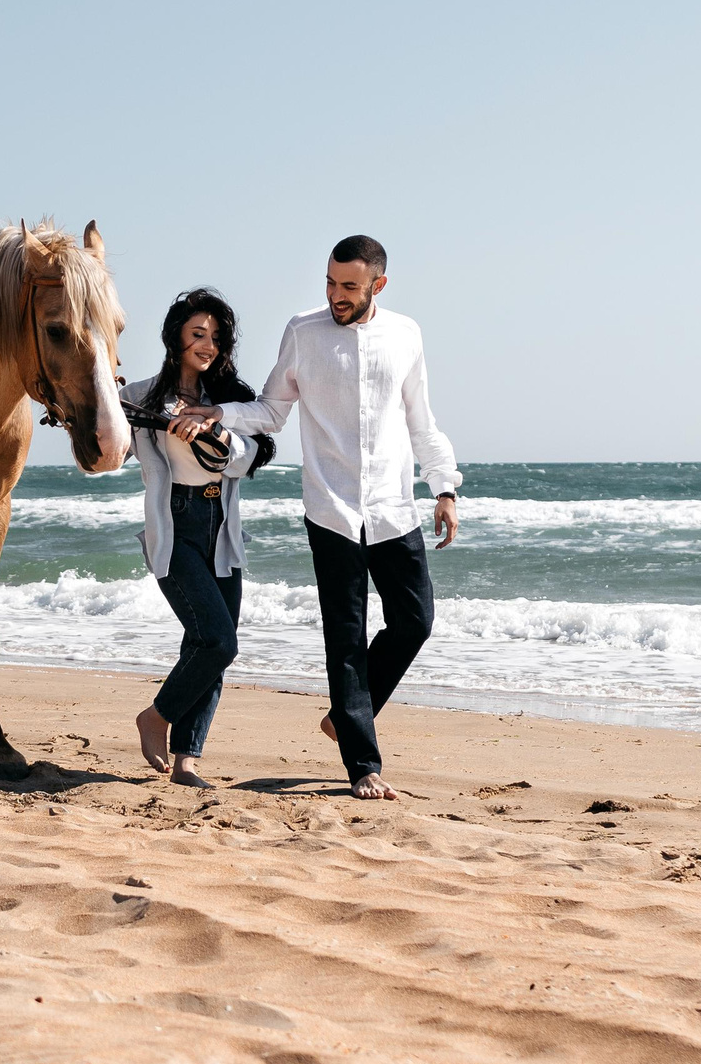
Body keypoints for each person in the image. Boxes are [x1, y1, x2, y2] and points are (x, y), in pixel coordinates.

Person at [171, 235, 459, 800]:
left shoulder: (405, 334)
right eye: (330, 282)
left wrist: (444, 486)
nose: (335, 295)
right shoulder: (304, 331)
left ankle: (350, 713)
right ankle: (363, 764)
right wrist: (218, 413)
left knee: (415, 622)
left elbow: (422, 420)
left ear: (378, 284)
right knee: (345, 638)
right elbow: (273, 410)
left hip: (393, 508)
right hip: (330, 508)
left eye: (349, 286)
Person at [126, 289, 275, 788]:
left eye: (215, 337)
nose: (207, 345)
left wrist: (219, 436)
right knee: (218, 640)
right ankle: (156, 717)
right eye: (197, 334)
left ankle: (187, 758)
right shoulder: (142, 397)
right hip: (175, 523)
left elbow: (258, 454)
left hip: (221, 525)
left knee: (206, 643)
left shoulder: (230, 400)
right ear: (175, 337)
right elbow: (99, 456)